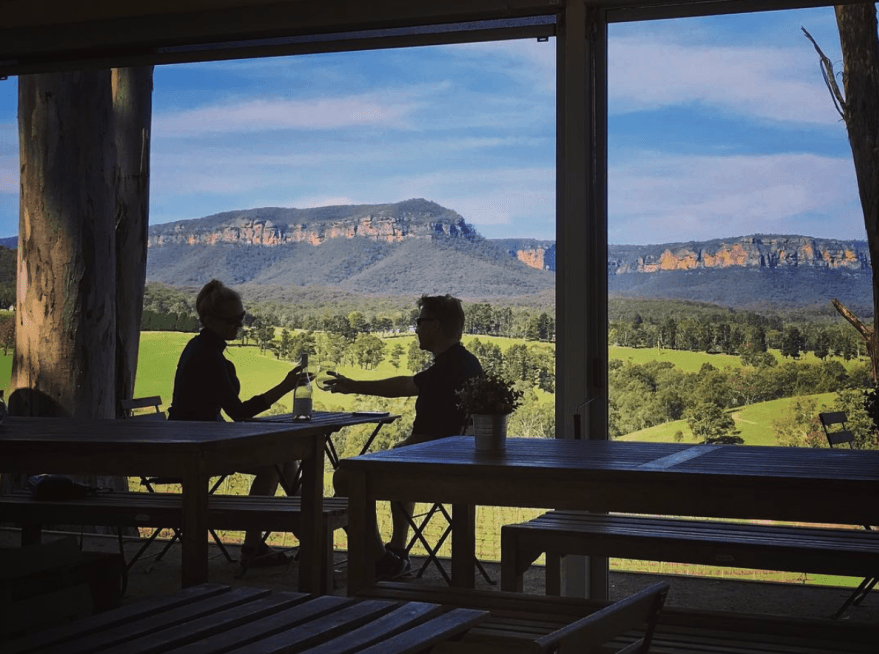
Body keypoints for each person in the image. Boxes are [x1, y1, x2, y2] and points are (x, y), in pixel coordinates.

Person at [324, 294, 483, 578]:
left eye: (419, 322)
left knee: (344, 476)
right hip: (451, 457)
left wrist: (353, 386)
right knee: (391, 457)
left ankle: (380, 560)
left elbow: (406, 385)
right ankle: (397, 547)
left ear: (435, 326)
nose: (416, 328)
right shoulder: (464, 362)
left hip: (435, 460)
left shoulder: (449, 368)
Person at [168, 279, 305, 568]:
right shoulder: (209, 357)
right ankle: (298, 531)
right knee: (277, 464)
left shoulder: (201, 348)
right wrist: (284, 386)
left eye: (241, 318)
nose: (238, 326)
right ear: (208, 319)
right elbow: (240, 412)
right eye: (232, 321)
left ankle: (294, 531)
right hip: (196, 446)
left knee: (283, 461)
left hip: (198, 437)